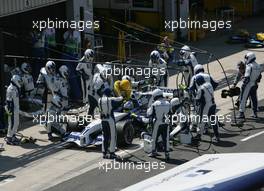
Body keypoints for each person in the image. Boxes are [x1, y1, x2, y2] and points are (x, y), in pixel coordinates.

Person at [98, 88, 123, 159]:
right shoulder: (110, 99)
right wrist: (121, 96)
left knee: (104, 136)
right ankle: (112, 153)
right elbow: (119, 101)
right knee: (112, 136)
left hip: (103, 120)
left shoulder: (99, 100)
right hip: (110, 120)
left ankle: (104, 152)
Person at [194, 76, 220, 142]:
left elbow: (197, 100)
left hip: (206, 106)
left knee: (202, 120)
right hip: (213, 104)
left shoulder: (201, 89)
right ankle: (217, 136)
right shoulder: (209, 84)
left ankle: (199, 135)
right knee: (213, 121)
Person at [147, 89, 170, 160]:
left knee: (154, 138)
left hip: (157, 123)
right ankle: (167, 154)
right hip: (166, 123)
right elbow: (170, 112)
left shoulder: (155, 104)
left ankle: (153, 152)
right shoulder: (167, 103)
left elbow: (149, 114)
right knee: (166, 139)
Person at [238, 52, 262, 119]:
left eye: (246, 58)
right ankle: (255, 113)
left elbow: (247, 77)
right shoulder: (258, 65)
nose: (246, 59)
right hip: (254, 84)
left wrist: (244, 85)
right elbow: (260, 76)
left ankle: (241, 113)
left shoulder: (249, 66)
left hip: (248, 85)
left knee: (243, 98)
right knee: (254, 99)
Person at [62, 28, 82, 100]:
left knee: (77, 75)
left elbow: (78, 46)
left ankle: (78, 95)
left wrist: (78, 56)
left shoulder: (77, 33)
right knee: (71, 76)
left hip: (74, 55)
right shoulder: (66, 33)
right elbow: (65, 41)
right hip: (67, 55)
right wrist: (70, 33)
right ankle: (77, 95)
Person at [5, 75, 23, 145]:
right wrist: (10, 111)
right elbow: (8, 101)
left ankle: (13, 136)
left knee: (16, 123)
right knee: (12, 124)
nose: (20, 83)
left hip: (16, 108)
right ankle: (9, 138)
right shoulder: (10, 89)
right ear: (15, 81)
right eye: (19, 81)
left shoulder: (15, 88)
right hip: (12, 109)